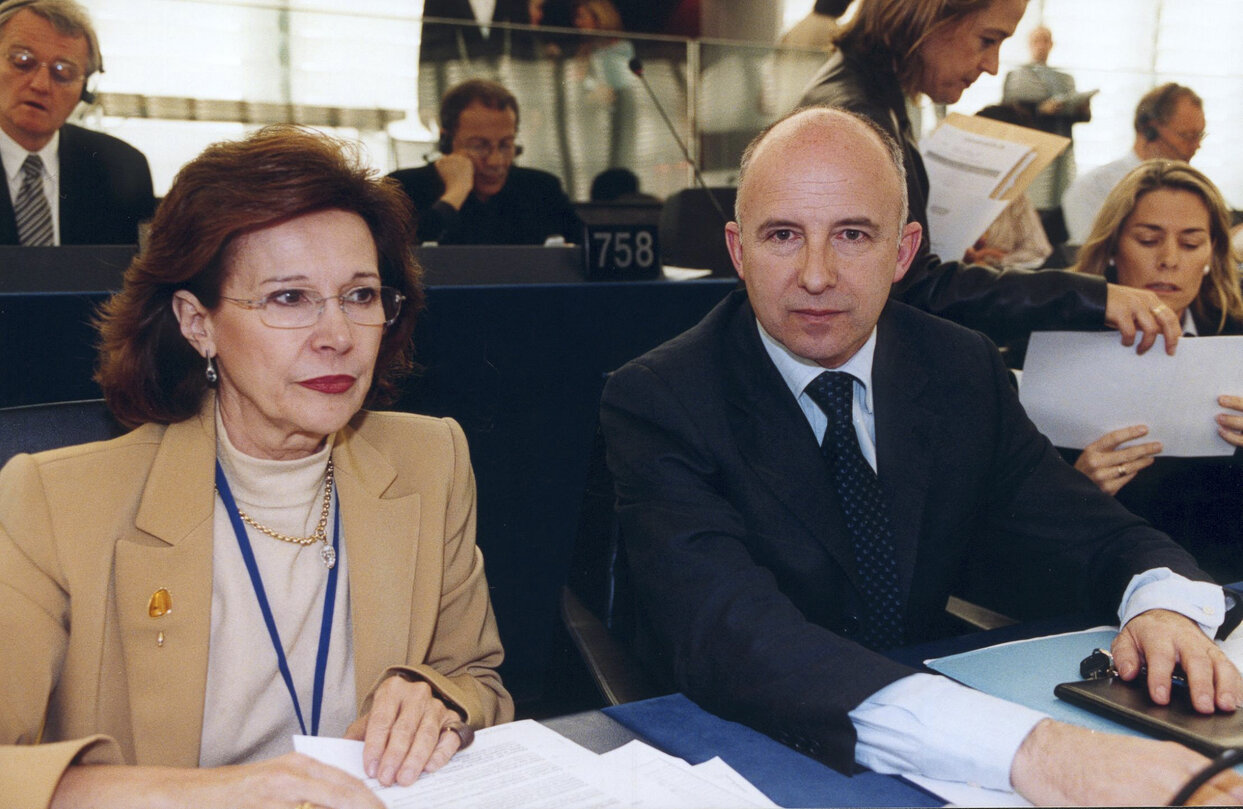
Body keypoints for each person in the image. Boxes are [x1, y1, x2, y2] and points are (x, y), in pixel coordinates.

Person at [600, 107, 1243, 805]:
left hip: (935, 730)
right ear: (737, 249)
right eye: (782, 235)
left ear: (903, 252)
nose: (816, 274)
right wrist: (1039, 752)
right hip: (752, 749)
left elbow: (1085, 528)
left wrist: (1160, 607)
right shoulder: (659, 397)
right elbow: (737, 635)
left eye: (852, 234)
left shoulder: (957, 365)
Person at [0, 125, 511, 807]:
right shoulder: (52, 503)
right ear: (196, 322)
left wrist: (436, 697)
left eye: (360, 295)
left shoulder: (430, 458)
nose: (337, 337)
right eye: (288, 298)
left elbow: (478, 678)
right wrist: (218, 792)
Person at [798, 0, 1182, 357]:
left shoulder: (868, 95)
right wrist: (1091, 297)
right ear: (930, 16)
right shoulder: (859, 117)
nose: (993, 65)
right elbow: (913, 292)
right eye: (988, 40)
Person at [1066, 159, 1243, 582]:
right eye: (1148, 240)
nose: (1168, 260)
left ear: (1212, 252)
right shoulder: (1056, 342)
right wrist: (1074, 490)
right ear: (1112, 246)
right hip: (1100, 577)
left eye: (1190, 243)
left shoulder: (1234, 333)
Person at [0, 0, 153, 245]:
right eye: (22, 61)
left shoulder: (123, 168)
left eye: (62, 73)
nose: (40, 85)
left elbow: (136, 279)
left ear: (85, 90)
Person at [389, 78, 582, 245]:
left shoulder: (542, 189)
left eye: (506, 145)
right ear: (446, 141)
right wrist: (454, 195)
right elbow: (396, 255)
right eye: (479, 146)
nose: (495, 161)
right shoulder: (403, 188)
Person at [1063, 83, 1206, 245]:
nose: (1196, 145)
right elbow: (1093, 256)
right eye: (1187, 136)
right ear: (1149, 131)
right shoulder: (1091, 189)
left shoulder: (1194, 190)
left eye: (1200, 136)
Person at [1002, 25, 1091, 209]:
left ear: (1051, 44)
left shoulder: (1065, 79)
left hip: (1062, 150)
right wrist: (1039, 110)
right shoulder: (1018, 76)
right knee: (1034, 202)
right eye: (1037, 40)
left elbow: (1077, 117)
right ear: (1029, 44)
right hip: (1033, 148)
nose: (1041, 45)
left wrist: (1081, 108)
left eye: (1045, 40)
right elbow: (1006, 113)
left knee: (1060, 201)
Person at [964, 104, 1053, 270]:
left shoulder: (1015, 195)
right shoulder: (939, 187)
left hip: (993, 285)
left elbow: (1039, 251)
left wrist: (998, 260)